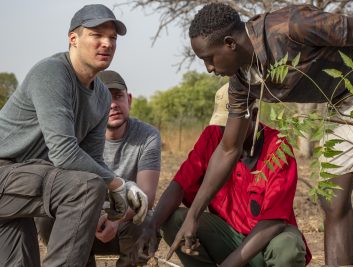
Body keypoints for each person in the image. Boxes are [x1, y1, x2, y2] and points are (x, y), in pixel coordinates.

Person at [169, 3, 353, 267]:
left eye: (209, 58)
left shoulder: (291, 25)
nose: (208, 68)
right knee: (332, 200)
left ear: (230, 43)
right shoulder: (242, 82)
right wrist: (194, 215)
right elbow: (228, 149)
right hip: (339, 104)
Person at [0, 5, 148, 267]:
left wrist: (113, 194)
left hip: (24, 185)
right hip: (6, 173)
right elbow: (63, 152)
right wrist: (117, 185)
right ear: (73, 39)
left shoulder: (101, 95)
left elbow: (91, 160)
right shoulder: (52, 73)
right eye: (96, 35)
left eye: (112, 38)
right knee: (85, 188)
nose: (107, 43)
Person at [138, 84, 312, 267]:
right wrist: (151, 227)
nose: (226, 132)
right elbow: (180, 184)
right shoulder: (212, 137)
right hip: (230, 238)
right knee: (175, 220)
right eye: (223, 125)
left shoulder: (277, 147)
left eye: (233, 124)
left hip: (267, 243)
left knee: (288, 248)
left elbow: (273, 222)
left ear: (253, 115)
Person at [36, 70, 161, 267]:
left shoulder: (148, 136)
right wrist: (88, 218)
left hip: (123, 226)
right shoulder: (74, 136)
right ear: (92, 104)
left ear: (129, 99)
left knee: (146, 222)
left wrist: (116, 220)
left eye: (118, 96)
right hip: (82, 221)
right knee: (46, 219)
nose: (113, 105)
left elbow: (147, 196)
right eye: (104, 97)